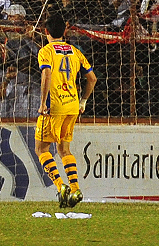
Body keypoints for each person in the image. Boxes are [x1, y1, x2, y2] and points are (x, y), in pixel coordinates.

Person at [35, 13, 97, 209]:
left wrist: (43, 102)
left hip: (55, 106)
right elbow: (93, 78)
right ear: (65, 31)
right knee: (64, 150)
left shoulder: (45, 51)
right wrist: (83, 101)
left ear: (46, 32)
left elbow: (46, 74)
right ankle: (76, 189)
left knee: (42, 149)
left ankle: (62, 186)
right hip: (72, 105)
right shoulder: (75, 51)